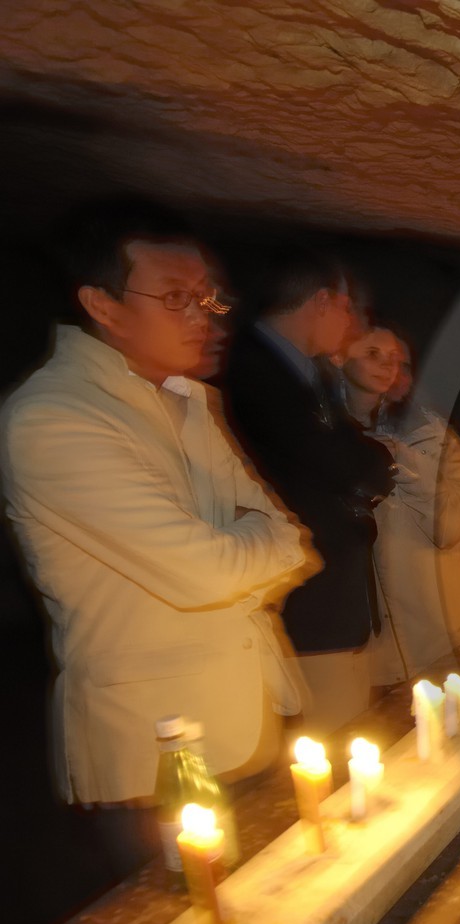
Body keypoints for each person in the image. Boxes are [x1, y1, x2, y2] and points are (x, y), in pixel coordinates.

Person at [0, 200, 311, 870]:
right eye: (177, 297)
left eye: (208, 297)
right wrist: (252, 547)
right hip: (159, 755)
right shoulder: (54, 419)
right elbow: (209, 572)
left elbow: (290, 538)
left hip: (247, 714)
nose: (204, 316)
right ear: (103, 306)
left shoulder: (187, 397)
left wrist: (251, 546)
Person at [221, 248, 395, 733]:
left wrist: (363, 461)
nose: (350, 323)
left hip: (332, 589)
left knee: (351, 727)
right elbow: (334, 459)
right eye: (345, 309)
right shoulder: (253, 370)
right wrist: (377, 462)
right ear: (323, 300)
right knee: (329, 744)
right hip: (305, 597)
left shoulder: (302, 370)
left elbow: (343, 450)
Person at [335, 326, 460, 682]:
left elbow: (457, 523)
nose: (391, 371)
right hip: (365, 638)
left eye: (401, 363)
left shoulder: (432, 434)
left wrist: (405, 466)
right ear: (339, 359)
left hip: (431, 624)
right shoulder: (326, 433)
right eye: (374, 355)